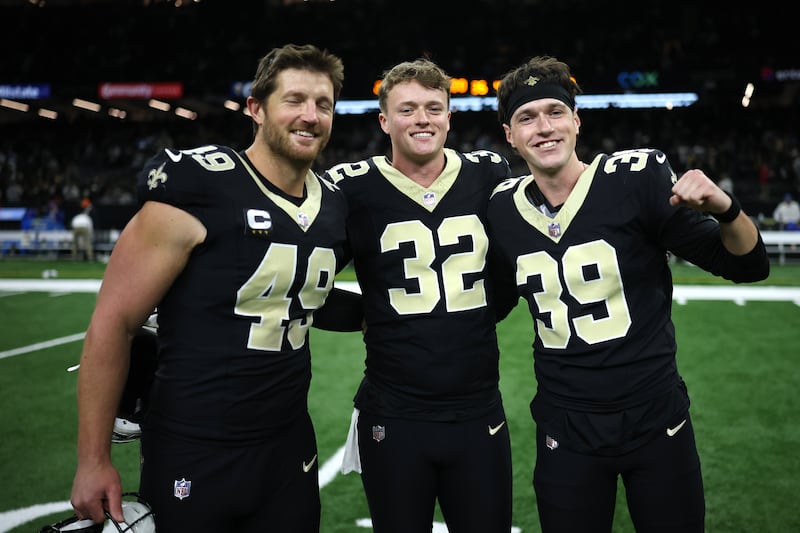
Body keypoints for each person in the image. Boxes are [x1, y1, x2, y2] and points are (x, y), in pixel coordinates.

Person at [69, 43, 348, 533]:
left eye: (323, 104)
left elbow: (301, 294)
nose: (310, 115)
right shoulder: (198, 186)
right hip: (194, 447)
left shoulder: (333, 207)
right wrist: (93, 461)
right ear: (256, 109)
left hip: (288, 448)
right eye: (295, 99)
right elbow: (114, 323)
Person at [487, 55, 770, 533]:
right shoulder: (501, 209)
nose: (544, 127)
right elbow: (487, 304)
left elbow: (748, 264)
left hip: (654, 418)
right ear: (509, 135)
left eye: (555, 111)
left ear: (577, 120)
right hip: (565, 426)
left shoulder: (635, 179)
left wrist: (726, 207)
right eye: (526, 117)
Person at [323, 58, 516, 533]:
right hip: (393, 410)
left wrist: (469, 312)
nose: (422, 119)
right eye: (407, 109)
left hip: (477, 407)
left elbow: (516, 270)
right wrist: (367, 314)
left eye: (434, 107)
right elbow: (305, 282)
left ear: (450, 116)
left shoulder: (487, 174)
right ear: (384, 120)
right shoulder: (351, 187)